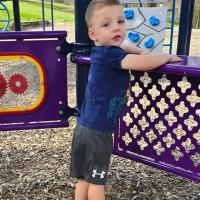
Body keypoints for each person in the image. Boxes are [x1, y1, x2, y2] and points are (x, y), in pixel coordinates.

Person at [70, 0, 182, 199]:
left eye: (120, 21)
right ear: (93, 34)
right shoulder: (112, 56)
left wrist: (138, 49)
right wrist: (164, 56)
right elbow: (143, 63)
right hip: (98, 132)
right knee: (97, 182)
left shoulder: (100, 51)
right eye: (107, 24)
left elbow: (125, 46)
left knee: (84, 178)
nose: (116, 27)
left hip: (84, 127)